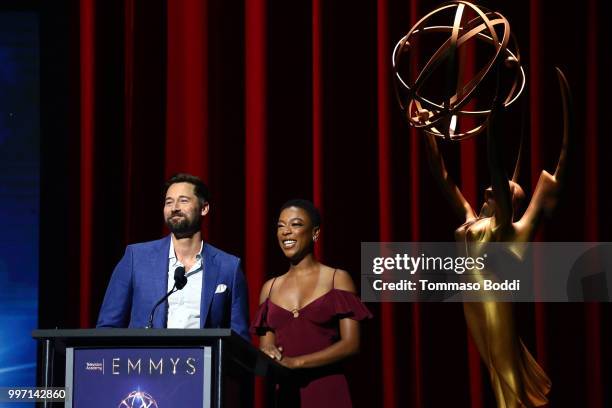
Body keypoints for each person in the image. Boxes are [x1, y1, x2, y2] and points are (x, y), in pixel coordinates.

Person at [422, 70, 571, 407]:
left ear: (508, 201)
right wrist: (426, 133)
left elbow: (496, 169)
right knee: (493, 370)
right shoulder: (472, 219)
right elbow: (442, 176)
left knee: (505, 372)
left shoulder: (505, 229)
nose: (488, 189)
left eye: (499, 191)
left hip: (493, 302)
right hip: (472, 301)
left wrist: (494, 114)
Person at [96, 173, 250, 339]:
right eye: (169, 202)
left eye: (183, 200)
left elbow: (239, 339)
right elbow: (108, 327)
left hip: (202, 362)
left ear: (204, 208)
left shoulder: (229, 267)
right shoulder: (136, 258)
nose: (174, 207)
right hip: (147, 362)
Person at [252, 199, 372, 407]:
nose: (286, 231)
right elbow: (266, 346)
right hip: (286, 396)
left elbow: (351, 345)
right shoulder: (269, 288)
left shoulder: (337, 278)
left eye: (296, 224)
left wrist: (297, 362)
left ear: (315, 233)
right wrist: (269, 351)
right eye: (281, 226)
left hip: (329, 393)